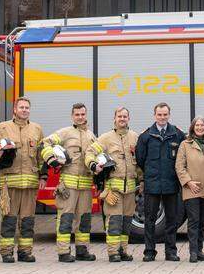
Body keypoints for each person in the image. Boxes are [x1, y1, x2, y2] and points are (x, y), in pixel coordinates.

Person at [0, 97, 44, 263]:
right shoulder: (3, 128)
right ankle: (6, 252)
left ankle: (25, 252)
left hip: (30, 184)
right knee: (9, 219)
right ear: (15, 110)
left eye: (27, 107)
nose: (24, 110)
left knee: (27, 220)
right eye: (21, 107)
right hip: (9, 183)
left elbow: (41, 155)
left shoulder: (37, 129)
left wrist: (44, 176)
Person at [41, 102, 97, 262]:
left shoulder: (92, 136)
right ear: (72, 116)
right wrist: (51, 160)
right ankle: (63, 252)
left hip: (86, 186)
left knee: (84, 219)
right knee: (65, 219)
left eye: (83, 114)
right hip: (68, 186)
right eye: (77, 114)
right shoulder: (65, 133)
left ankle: (82, 250)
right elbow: (45, 143)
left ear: (86, 115)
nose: (80, 117)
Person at [88, 106, 141, 262]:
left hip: (131, 190)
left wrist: (142, 180)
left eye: (125, 116)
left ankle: (123, 251)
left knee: (126, 222)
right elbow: (91, 152)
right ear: (115, 118)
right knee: (114, 221)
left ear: (128, 119)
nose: (122, 119)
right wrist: (93, 164)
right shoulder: (105, 138)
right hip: (114, 190)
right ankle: (113, 252)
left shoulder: (135, 138)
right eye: (120, 116)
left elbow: (139, 163)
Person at [135, 102, 185, 262]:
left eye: (165, 114)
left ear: (169, 115)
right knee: (150, 220)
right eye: (159, 115)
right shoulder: (146, 136)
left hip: (171, 184)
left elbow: (183, 158)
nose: (162, 117)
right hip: (153, 185)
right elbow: (141, 159)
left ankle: (171, 251)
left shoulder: (177, 134)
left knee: (172, 219)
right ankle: (149, 251)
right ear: (154, 115)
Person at [175, 116, 204, 263]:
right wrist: (188, 182)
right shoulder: (185, 144)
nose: (200, 128)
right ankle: (193, 252)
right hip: (192, 190)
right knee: (194, 221)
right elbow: (179, 166)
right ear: (193, 128)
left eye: (202, 126)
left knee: (202, 222)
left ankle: (200, 251)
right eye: (197, 126)